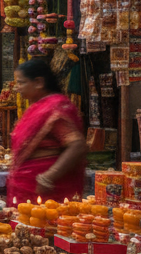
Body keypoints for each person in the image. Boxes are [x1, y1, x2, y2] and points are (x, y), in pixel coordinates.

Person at [7, 59, 87, 205]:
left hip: (46, 192)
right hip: (27, 187)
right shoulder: (36, 107)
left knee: (46, 225)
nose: (17, 88)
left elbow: (77, 145)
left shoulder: (56, 106)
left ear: (38, 82)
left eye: (21, 82)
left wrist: (48, 177)